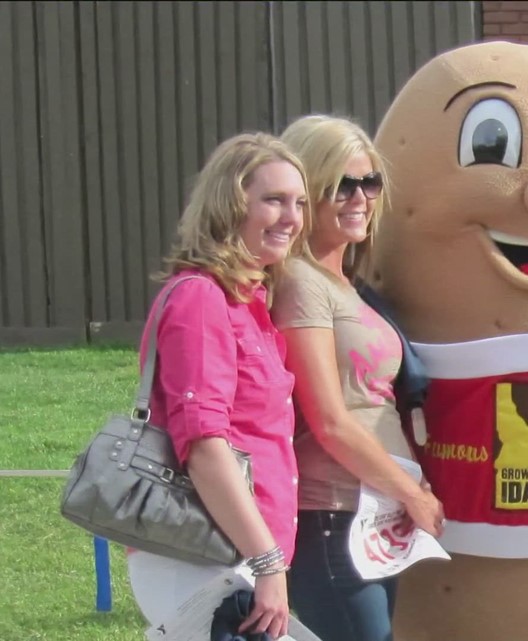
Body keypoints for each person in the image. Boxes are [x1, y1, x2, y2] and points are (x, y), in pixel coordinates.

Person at [127, 133, 308, 639]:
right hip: (202, 551)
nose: (291, 217)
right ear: (229, 205)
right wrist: (267, 561)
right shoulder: (202, 300)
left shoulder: (249, 304)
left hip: (234, 550)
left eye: (299, 202)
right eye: (273, 200)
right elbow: (205, 446)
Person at [274, 114, 445, 641]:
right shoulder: (302, 284)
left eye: (368, 182)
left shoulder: (346, 284)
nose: (359, 197)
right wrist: (413, 495)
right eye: (341, 184)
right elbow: (329, 418)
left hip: (368, 515)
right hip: (331, 516)